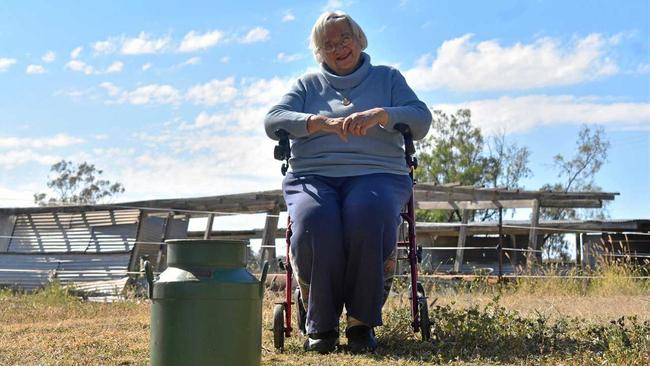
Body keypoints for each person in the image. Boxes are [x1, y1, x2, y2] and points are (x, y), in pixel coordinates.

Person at [264, 11, 432, 354]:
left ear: (359, 40)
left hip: (378, 172)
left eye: (345, 39)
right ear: (319, 52)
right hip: (313, 175)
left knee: (367, 213)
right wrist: (316, 123)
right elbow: (273, 120)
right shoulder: (306, 85)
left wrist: (383, 114)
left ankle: (361, 323)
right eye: (329, 44)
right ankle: (321, 327)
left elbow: (421, 117)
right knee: (314, 221)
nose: (339, 47)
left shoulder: (388, 79)